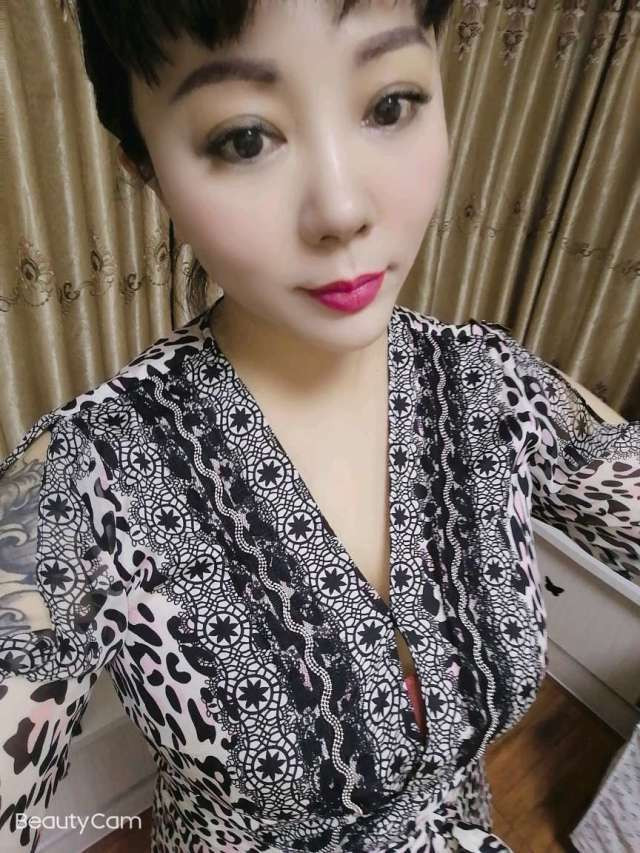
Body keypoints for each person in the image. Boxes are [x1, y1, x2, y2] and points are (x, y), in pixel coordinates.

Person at [1, 1, 638, 851]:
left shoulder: (493, 383)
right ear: (146, 166)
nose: (341, 208)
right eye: (244, 138)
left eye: (389, 105)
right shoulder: (78, 484)